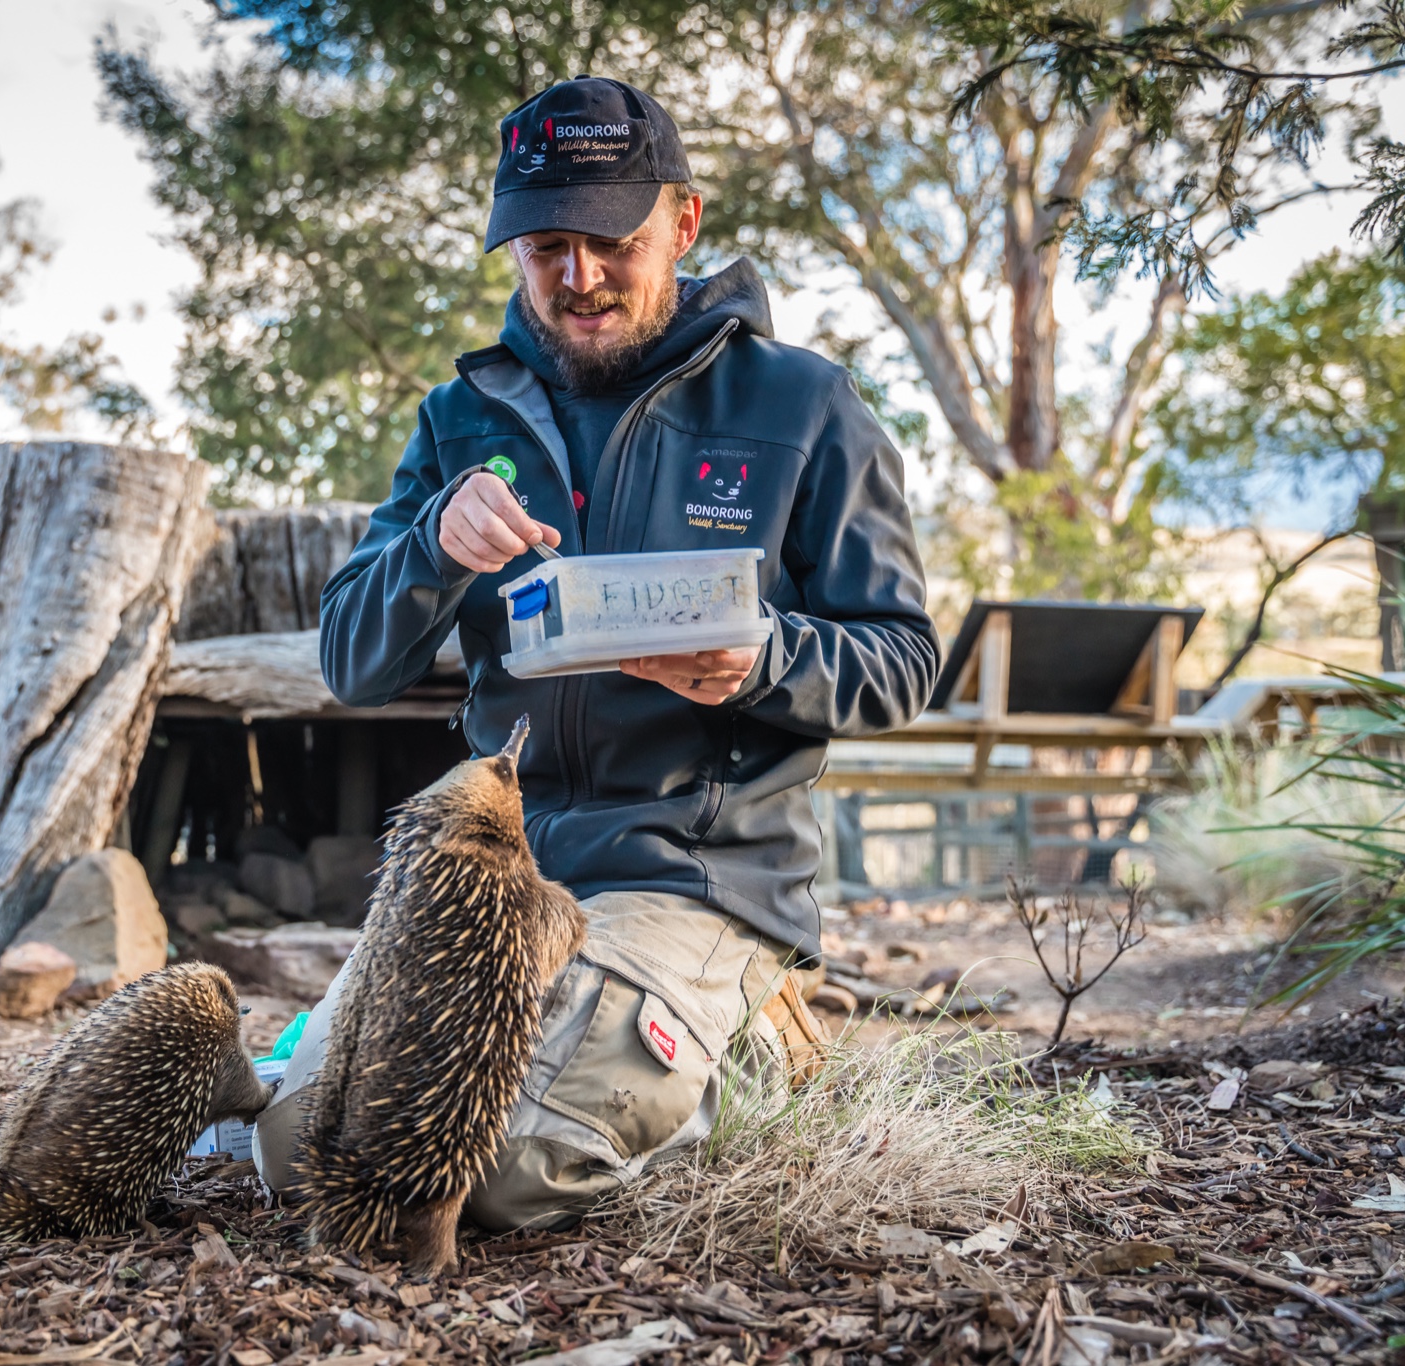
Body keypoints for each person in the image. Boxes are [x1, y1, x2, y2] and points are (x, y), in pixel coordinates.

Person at [252, 75, 940, 1232]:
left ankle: (750, 1041)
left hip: (694, 874)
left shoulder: (805, 405)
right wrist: (433, 543)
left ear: (683, 222)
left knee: (498, 1164)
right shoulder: (456, 420)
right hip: (493, 872)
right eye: (544, 246)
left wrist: (761, 658)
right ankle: (637, 1039)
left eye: (609, 239)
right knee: (302, 1152)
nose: (578, 277)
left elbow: (903, 659)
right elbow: (349, 661)